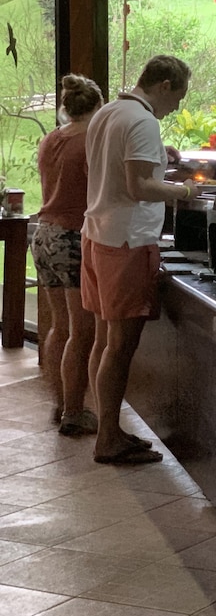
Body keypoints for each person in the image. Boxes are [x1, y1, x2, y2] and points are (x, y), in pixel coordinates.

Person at [81, 54, 198, 464]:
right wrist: (185, 191)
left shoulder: (108, 112)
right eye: (178, 97)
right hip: (128, 243)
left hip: (97, 234)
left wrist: (160, 155)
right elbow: (139, 187)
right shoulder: (144, 121)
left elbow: (113, 165)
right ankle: (108, 440)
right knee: (120, 347)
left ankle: (108, 428)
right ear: (164, 86)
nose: (177, 107)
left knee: (103, 341)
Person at [30, 73, 104, 435]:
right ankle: (75, 412)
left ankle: (60, 403)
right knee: (82, 331)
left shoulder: (51, 139)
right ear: (98, 107)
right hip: (73, 237)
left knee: (59, 326)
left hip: (44, 234)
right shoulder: (91, 141)